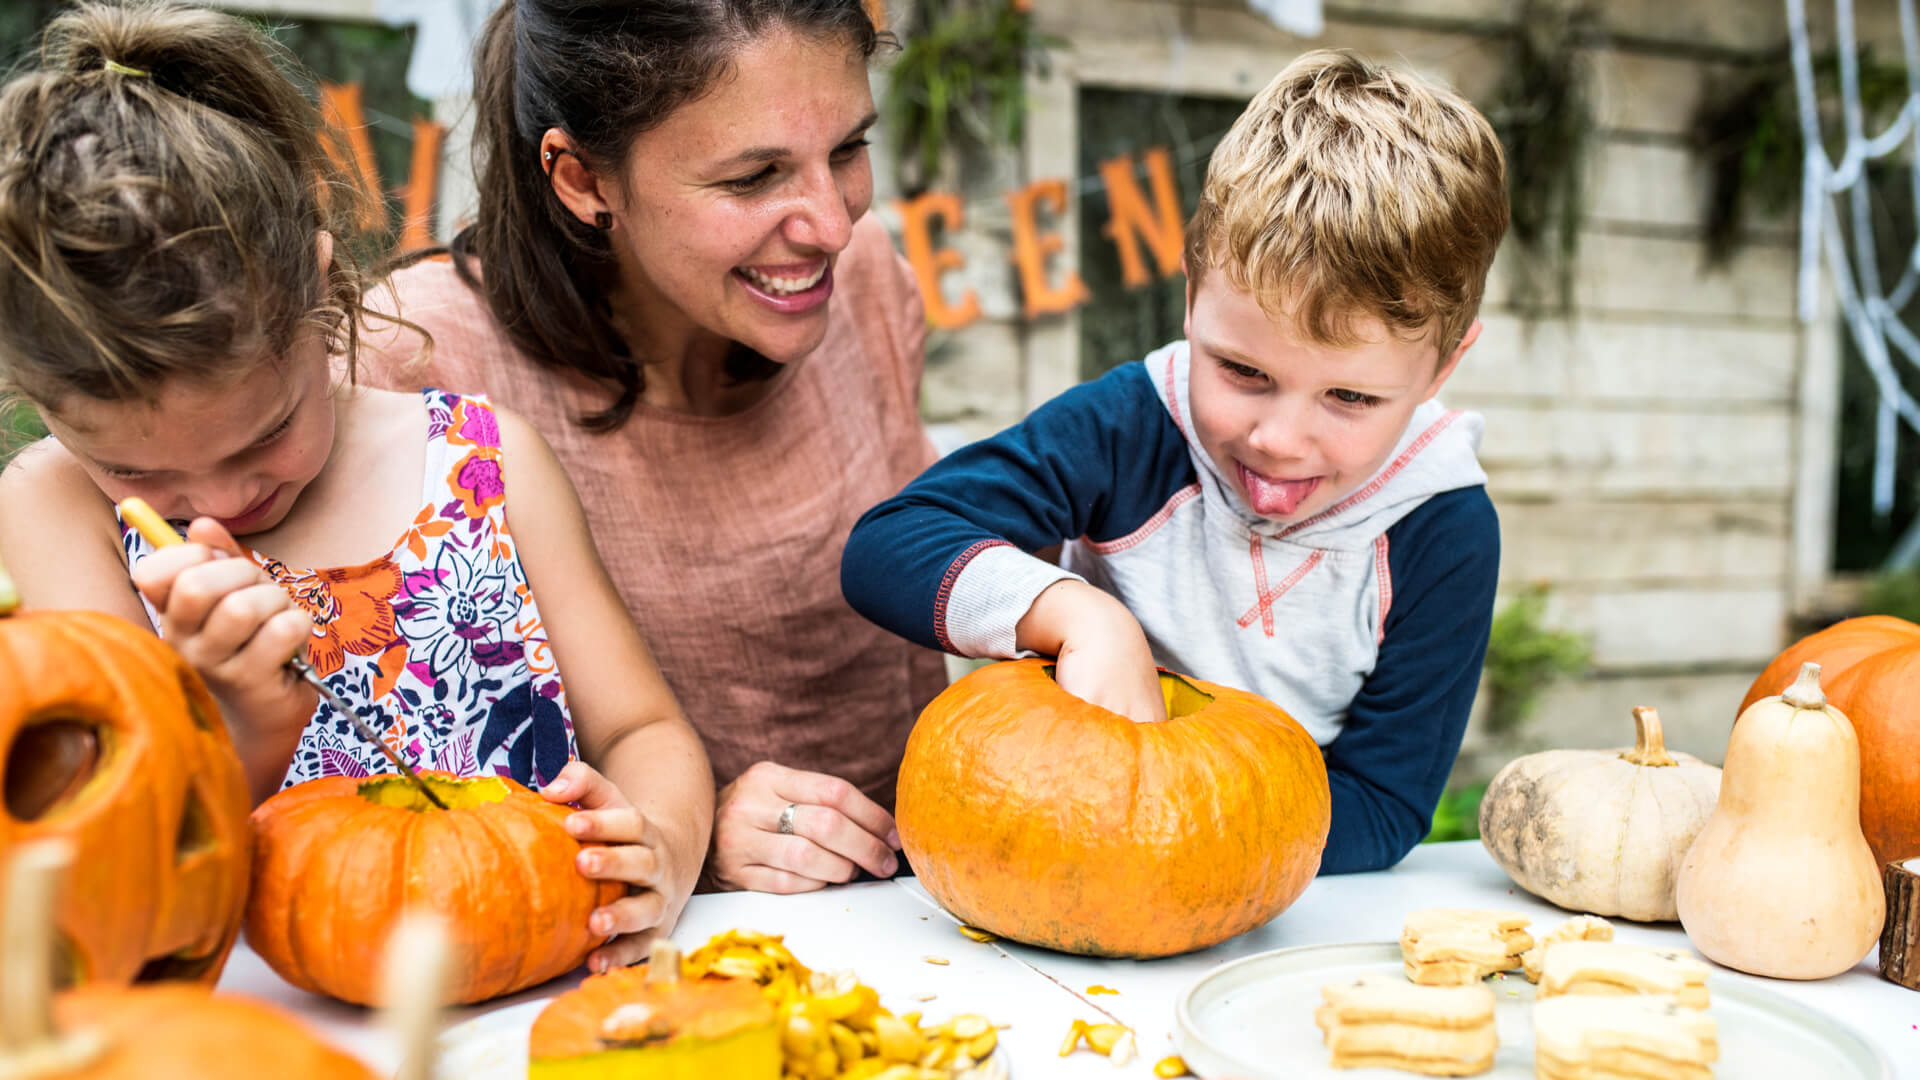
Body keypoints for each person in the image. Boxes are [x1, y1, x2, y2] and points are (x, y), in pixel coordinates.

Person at [0, 0, 711, 970]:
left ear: (323, 294)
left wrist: (661, 845)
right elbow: (122, 867)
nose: (214, 503)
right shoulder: (55, 511)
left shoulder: (480, 463)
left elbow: (642, 728)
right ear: (42, 406)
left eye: (268, 431)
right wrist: (239, 718)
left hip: (539, 991)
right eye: (137, 470)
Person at [842, 50, 1509, 875]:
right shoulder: (1132, 426)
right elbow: (890, 544)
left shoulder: (1443, 528)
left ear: (1442, 368)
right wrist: (1082, 614)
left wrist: (1168, 834)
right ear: (1192, 299)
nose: (1278, 439)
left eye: (1351, 399)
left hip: (1260, 905)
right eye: (1244, 372)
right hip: (1055, 848)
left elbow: (1383, 805)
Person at [361, 0, 946, 894]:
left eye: (847, 151)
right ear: (584, 179)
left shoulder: (866, 281)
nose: (832, 225)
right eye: (754, 176)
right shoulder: (413, 366)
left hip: (930, 921)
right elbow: (374, 807)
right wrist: (684, 838)